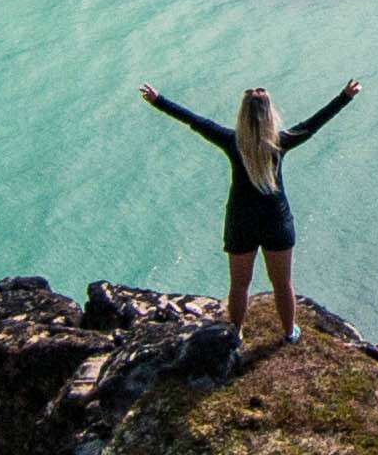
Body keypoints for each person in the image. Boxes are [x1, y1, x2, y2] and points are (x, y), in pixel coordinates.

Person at [141, 75, 358, 344]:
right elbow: (316, 122)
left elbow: (194, 120)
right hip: (276, 221)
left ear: (242, 116)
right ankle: (289, 332)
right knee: (283, 284)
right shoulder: (281, 141)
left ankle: (236, 333)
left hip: (241, 221)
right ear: (270, 115)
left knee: (239, 285)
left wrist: (158, 100)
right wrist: (345, 96)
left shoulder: (232, 141)